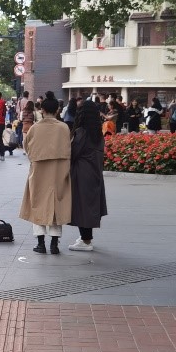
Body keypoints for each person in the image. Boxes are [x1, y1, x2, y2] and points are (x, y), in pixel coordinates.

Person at [19, 95, 72, 254]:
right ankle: (54, 244)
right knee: (57, 204)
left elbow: (26, 146)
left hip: (39, 170)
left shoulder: (35, 128)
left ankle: (40, 243)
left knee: (38, 203)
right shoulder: (64, 128)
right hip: (59, 170)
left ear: (42, 110)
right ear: (57, 110)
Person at [69, 101, 107, 251]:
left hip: (82, 173)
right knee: (90, 206)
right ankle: (86, 238)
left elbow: (73, 153)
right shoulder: (97, 133)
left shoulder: (81, 132)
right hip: (95, 172)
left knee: (82, 205)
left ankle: (85, 241)